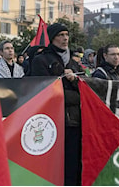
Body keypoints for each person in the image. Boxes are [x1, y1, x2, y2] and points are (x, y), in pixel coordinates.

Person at [30, 23, 82, 185]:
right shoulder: (42, 60)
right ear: (52, 38)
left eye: (67, 34)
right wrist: (74, 96)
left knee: (73, 164)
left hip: (73, 122)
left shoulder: (73, 64)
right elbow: (44, 92)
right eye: (60, 35)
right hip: (51, 123)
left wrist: (74, 81)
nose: (65, 38)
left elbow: (85, 89)